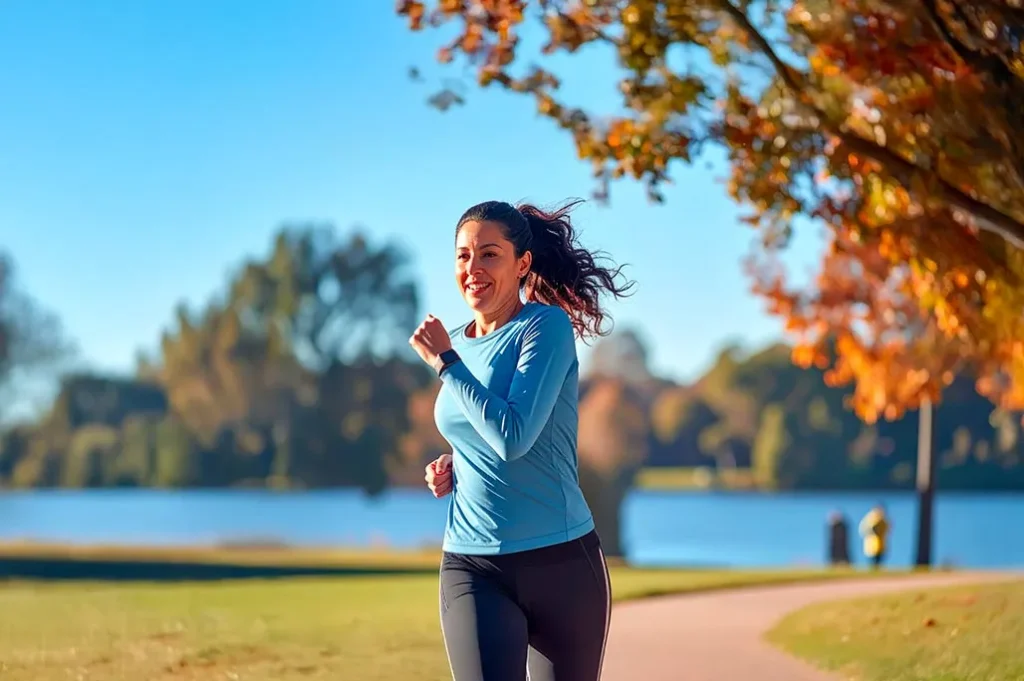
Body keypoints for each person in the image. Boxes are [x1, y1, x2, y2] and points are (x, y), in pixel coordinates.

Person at [409, 199, 633, 681]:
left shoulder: (543, 327)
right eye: (464, 256)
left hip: (561, 562)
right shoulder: (455, 341)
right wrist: (455, 460)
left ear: (522, 264)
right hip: (473, 564)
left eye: (489, 254)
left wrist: (448, 364)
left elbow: (513, 436)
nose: (473, 268)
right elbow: (478, 426)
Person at [859, 503, 891, 569]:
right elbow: (864, 530)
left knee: (879, 564)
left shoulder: (883, 520)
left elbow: (887, 530)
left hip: (881, 546)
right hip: (871, 547)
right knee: (872, 564)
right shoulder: (870, 518)